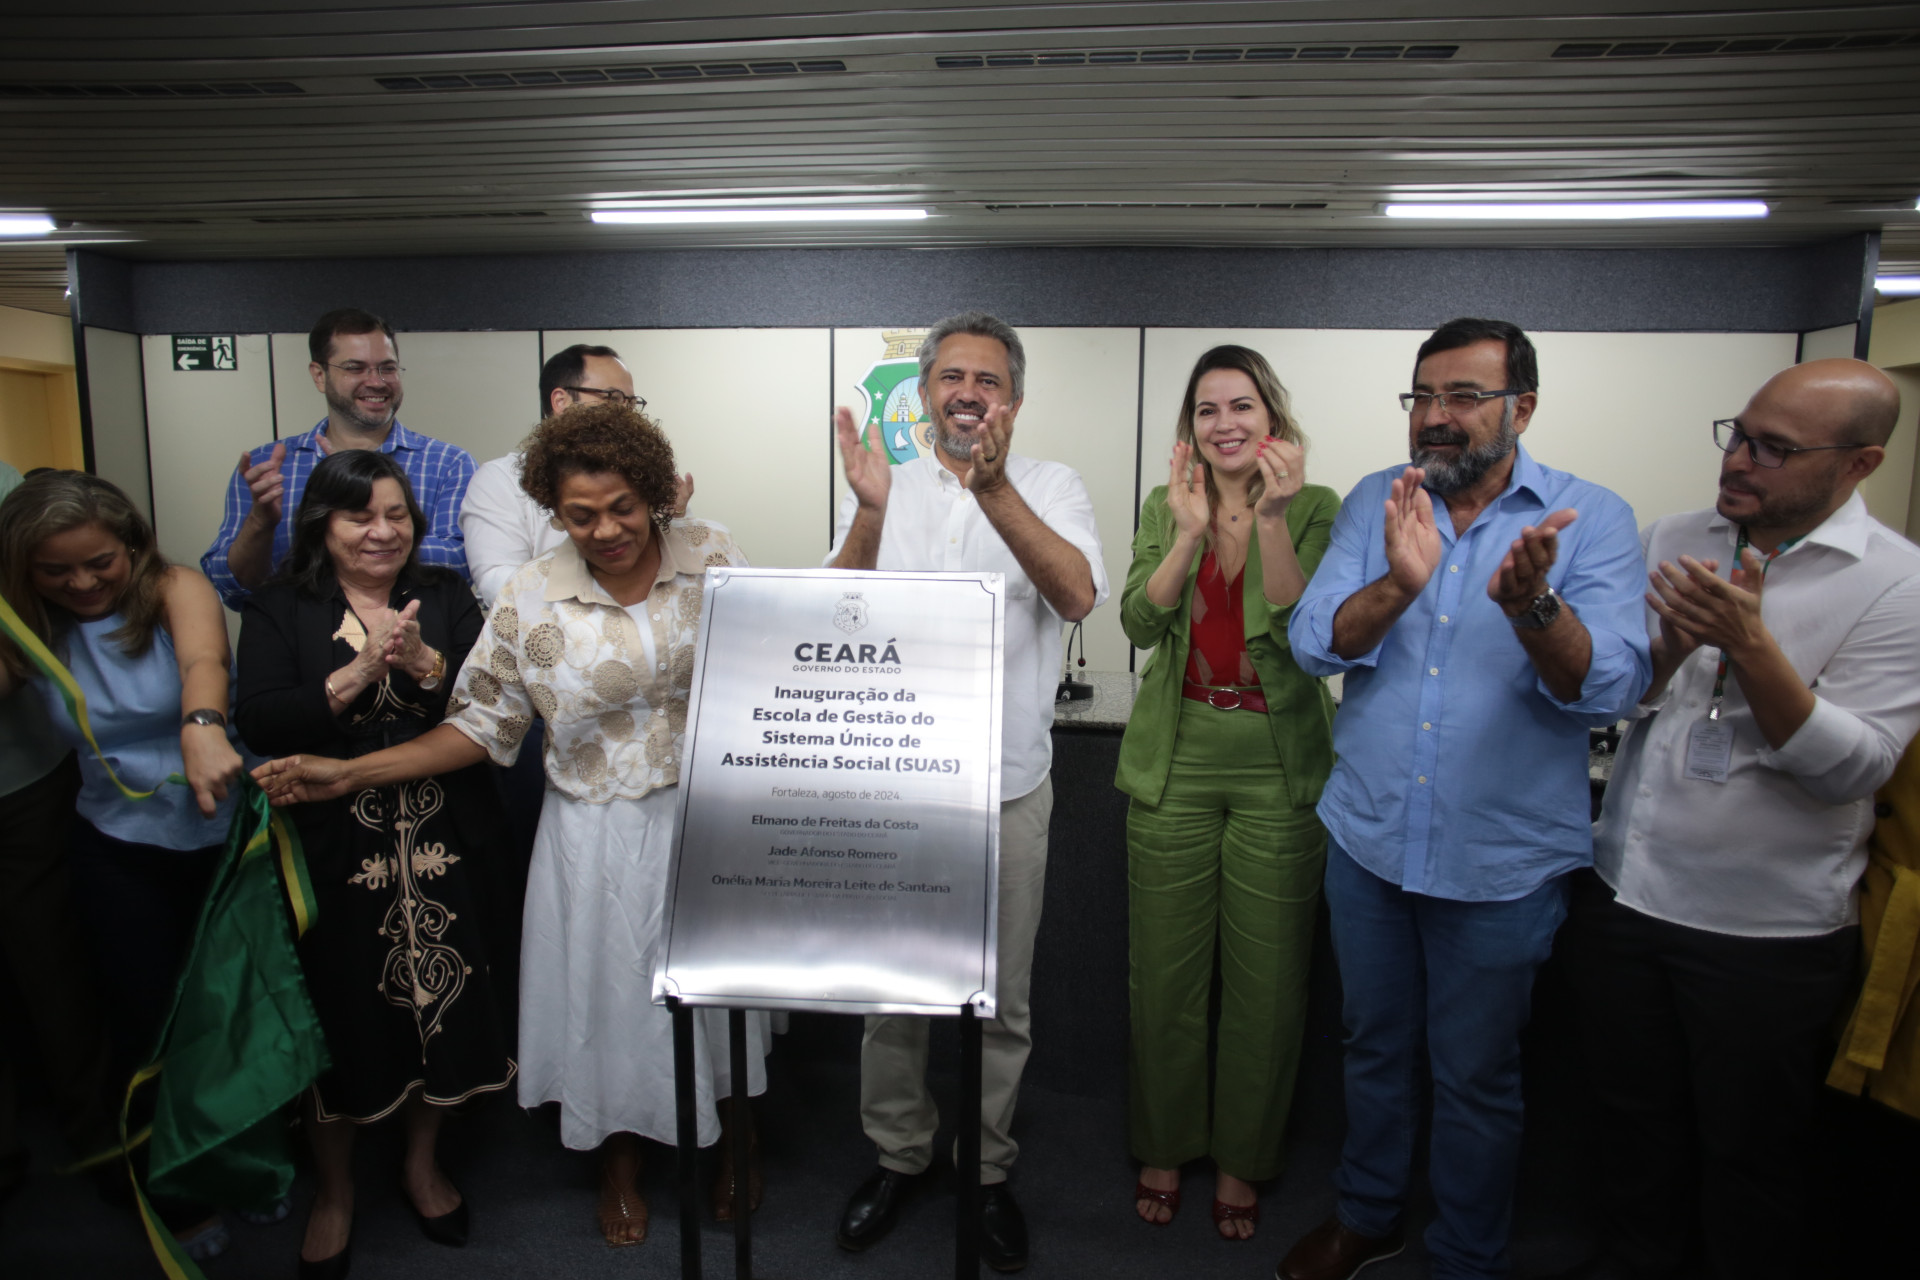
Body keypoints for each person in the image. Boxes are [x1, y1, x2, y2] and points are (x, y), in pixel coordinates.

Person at [252, 400, 768, 1248]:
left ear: (652, 492)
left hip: (704, 816)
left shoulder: (711, 554)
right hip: (592, 831)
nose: (607, 530)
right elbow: (480, 726)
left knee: (717, 992)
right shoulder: (531, 597)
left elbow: (780, 655)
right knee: (612, 1001)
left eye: (623, 507)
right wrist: (349, 772)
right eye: (581, 515)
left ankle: (735, 1138)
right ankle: (619, 1159)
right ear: (553, 512)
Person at [1281, 318, 1650, 1280]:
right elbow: (1314, 642)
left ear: (1521, 407)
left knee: (1477, 1075)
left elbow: (1608, 690)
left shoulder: (1589, 518)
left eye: (1463, 397)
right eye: (1423, 397)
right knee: (1372, 1045)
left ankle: (1467, 1256)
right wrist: (1400, 587)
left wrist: (1534, 607)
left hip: (1500, 863)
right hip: (1369, 841)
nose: (1436, 417)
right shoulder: (1379, 499)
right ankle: (1369, 1214)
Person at [1557, 359, 1920, 1280]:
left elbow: (1854, 770)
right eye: (1739, 435)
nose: (1739, 461)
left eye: (1774, 449)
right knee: (1630, 1132)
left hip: (1767, 932)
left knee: (1749, 1157)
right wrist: (1670, 648)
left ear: (1859, 463)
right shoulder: (1677, 536)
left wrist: (1750, 646)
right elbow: (1617, 699)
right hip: (1628, 895)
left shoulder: (1898, 584)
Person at [826, 311, 1107, 1273]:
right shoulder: (885, 485)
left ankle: (985, 1170)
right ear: (925, 393)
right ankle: (900, 1155)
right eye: (952, 377)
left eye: (988, 381)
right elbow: (831, 614)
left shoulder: (1053, 486)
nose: (968, 393)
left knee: (1002, 1001)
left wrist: (994, 491)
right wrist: (868, 513)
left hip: (1007, 788)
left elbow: (1076, 596)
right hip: (895, 788)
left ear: (1014, 401)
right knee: (892, 994)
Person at [234, 450, 517, 1277]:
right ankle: (335, 1190)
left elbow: (491, 707)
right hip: (330, 847)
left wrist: (424, 661)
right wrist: (362, 668)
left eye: (396, 515)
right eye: (360, 516)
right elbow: (262, 720)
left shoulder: (446, 593)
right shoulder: (280, 604)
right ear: (322, 524)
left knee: (441, 1002)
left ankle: (421, 1164)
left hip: (446, 839)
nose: (382, 532)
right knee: (340, 1009)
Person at [1116, 346, 1337, 1241]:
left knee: (1269, 980)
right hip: (1178, 756)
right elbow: (1139, 621)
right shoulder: (1165, 503)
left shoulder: (1318, 507)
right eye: (1207, 410)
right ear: (1191, 427)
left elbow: (1304, 630)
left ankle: (1245, 1156)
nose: (1225, 424)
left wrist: (1270, 520)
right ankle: (1165, 1144)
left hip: (1278, 763)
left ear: (1270, 417)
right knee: (1164, 974)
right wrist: (1188, 535)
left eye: (1241, 406)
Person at [0, 470, 248, 1258]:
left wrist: (202, 724)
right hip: (116, 843)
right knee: (145, 1020)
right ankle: (173, 1188)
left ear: (133, 546)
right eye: (56, 570)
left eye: (98, 562)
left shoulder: (174, 587)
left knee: (232, 1010)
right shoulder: (24, 625)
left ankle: (248, 1160)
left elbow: (205, 663)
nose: (81, 583)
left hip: (220, 831)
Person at [0, 460, 112, 1211]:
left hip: (22, 782)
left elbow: (26, 638)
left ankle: (102, 1139)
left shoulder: (6, 489)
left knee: (53, 969)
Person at [202, 308, 476, 608]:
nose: (376, 381)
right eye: (355, 368)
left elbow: (460, 564)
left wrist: (353, 496)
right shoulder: (265, 467)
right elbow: (230, 586)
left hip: (411, 631)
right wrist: (260, 524)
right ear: (319, 375)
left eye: (387, 368)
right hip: (295, 637)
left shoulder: (447, 463)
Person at [460, 342, 691, 605]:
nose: (625, 412)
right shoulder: (498, 480)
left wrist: (672, 519)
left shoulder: (643, 468)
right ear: (561, 401)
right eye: (613, 398)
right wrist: (593, 609)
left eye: (631, 402)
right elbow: (499, 584)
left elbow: (684, 571)